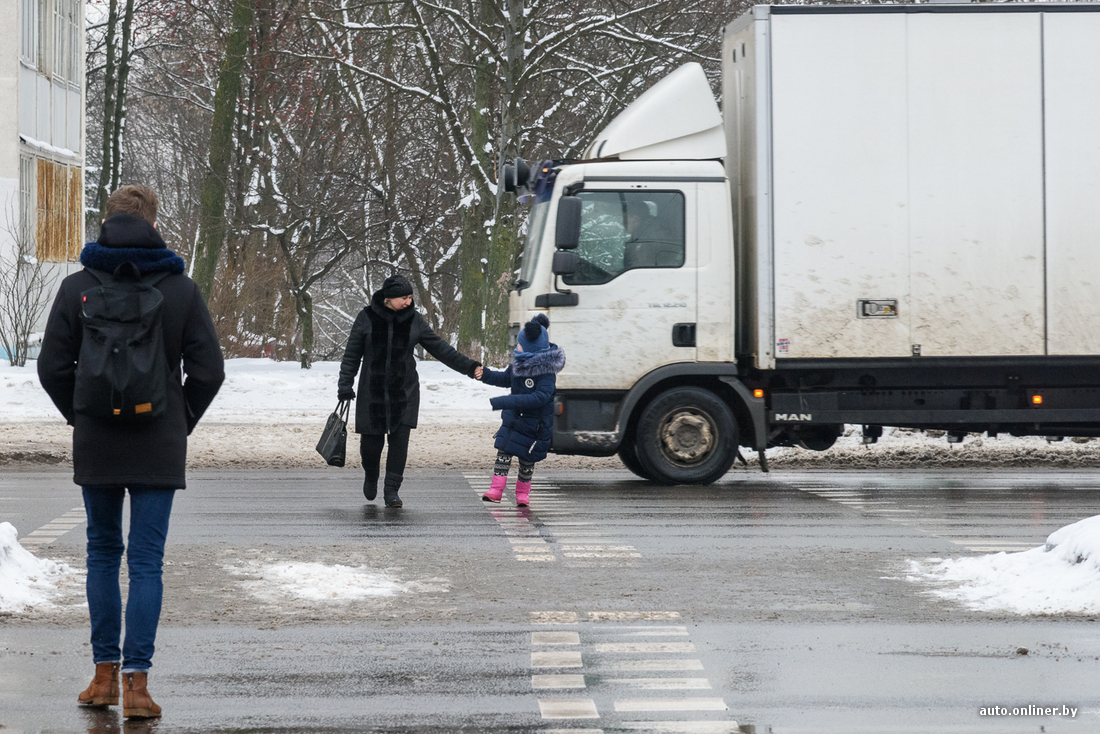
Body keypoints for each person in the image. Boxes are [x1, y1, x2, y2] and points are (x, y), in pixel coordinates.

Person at [37, 185, 224, 720]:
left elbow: (51, 368)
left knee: (101, 552)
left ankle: (102, 679)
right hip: (158, 442)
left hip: (97, 440)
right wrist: (178, 421)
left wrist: (83, 416)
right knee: (146, 563)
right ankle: (138, 686)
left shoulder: (76, 287)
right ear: (154, 223)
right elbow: (209, 371)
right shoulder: (180, 290)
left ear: (106, 223)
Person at [338, 274, 481, 507]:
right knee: (370, 447)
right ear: (388, 299)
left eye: (410, 297)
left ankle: (391, 491)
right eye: (403, 298)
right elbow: (351, 356)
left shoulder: (414, 320)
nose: (408, 302)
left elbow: (441, 349)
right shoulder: (366, 318)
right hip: (371, 393)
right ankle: (371, 474)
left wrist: (470, 366)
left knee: (399, 442)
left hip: (404, 394)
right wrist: (345, 386)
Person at [478, 314, 565, 507]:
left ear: (531, 350)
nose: (517, 348)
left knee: (527, 460)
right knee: (503, 452)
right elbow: (504, 379)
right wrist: (484, 374)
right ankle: (496, 490)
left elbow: (541, 397)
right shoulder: (519, 362)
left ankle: (523, 495)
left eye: (520, 345)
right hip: (514, 420)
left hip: (535, 425)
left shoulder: (546, 371)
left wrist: (507, 401)